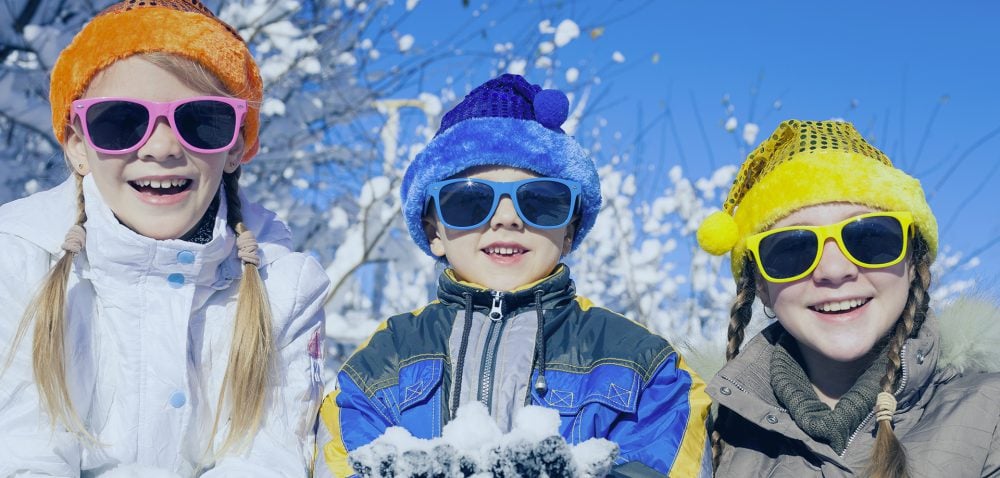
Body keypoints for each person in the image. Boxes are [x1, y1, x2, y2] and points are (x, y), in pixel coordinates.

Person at [314, 74, 712, 477]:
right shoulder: (385, 360)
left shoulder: (641, 363)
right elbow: (344, 461)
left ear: (569, 231)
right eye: (469, 201)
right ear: (435, 232)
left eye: (540, 201)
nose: (506, 219)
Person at [0, 1, 331, 475]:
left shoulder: (284, 289)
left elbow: (266, 459)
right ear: (77, 144)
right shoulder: (16, 260)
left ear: (235, 143)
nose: (160, 148)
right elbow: (19, 457)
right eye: (119, 122)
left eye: (201, 121)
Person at [697, 119, 1000, 476]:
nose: (834, 270)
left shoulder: (990, 417)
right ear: (760, 284)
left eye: (870, 239)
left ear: (913, 261)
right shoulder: (702, 433)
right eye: (792, 249)